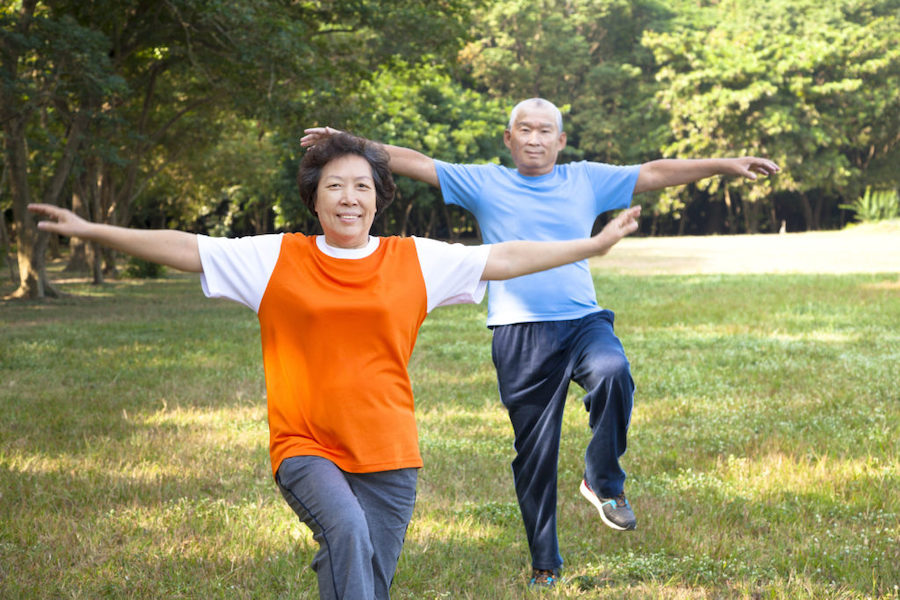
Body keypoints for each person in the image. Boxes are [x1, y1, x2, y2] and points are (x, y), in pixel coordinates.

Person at [28, 131, 641, 600]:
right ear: (314, 198)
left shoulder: (413, 261)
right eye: (335, 186)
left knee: (366, 574)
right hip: (305, 444)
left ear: (379, 198)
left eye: (362, 186)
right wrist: (92, 229)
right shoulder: (276, 258)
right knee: (346, 532)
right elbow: (187, 248)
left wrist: (592, 245)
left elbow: (503, 257)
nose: (349, 197)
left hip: (390, 451)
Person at [301, 100, 780, 587]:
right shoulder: (486, 182)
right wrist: (349, 144)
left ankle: (603, 481)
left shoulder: (586, 180)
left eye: (545, 130)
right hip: (519, 332)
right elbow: (418, 163)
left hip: (583, 321)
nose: (534, 138)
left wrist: (725, 165)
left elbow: (654, 171)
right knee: (536, 455)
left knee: (613, 371)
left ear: (561, 141)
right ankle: (545, 565)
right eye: (524, 130)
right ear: (508, 139)